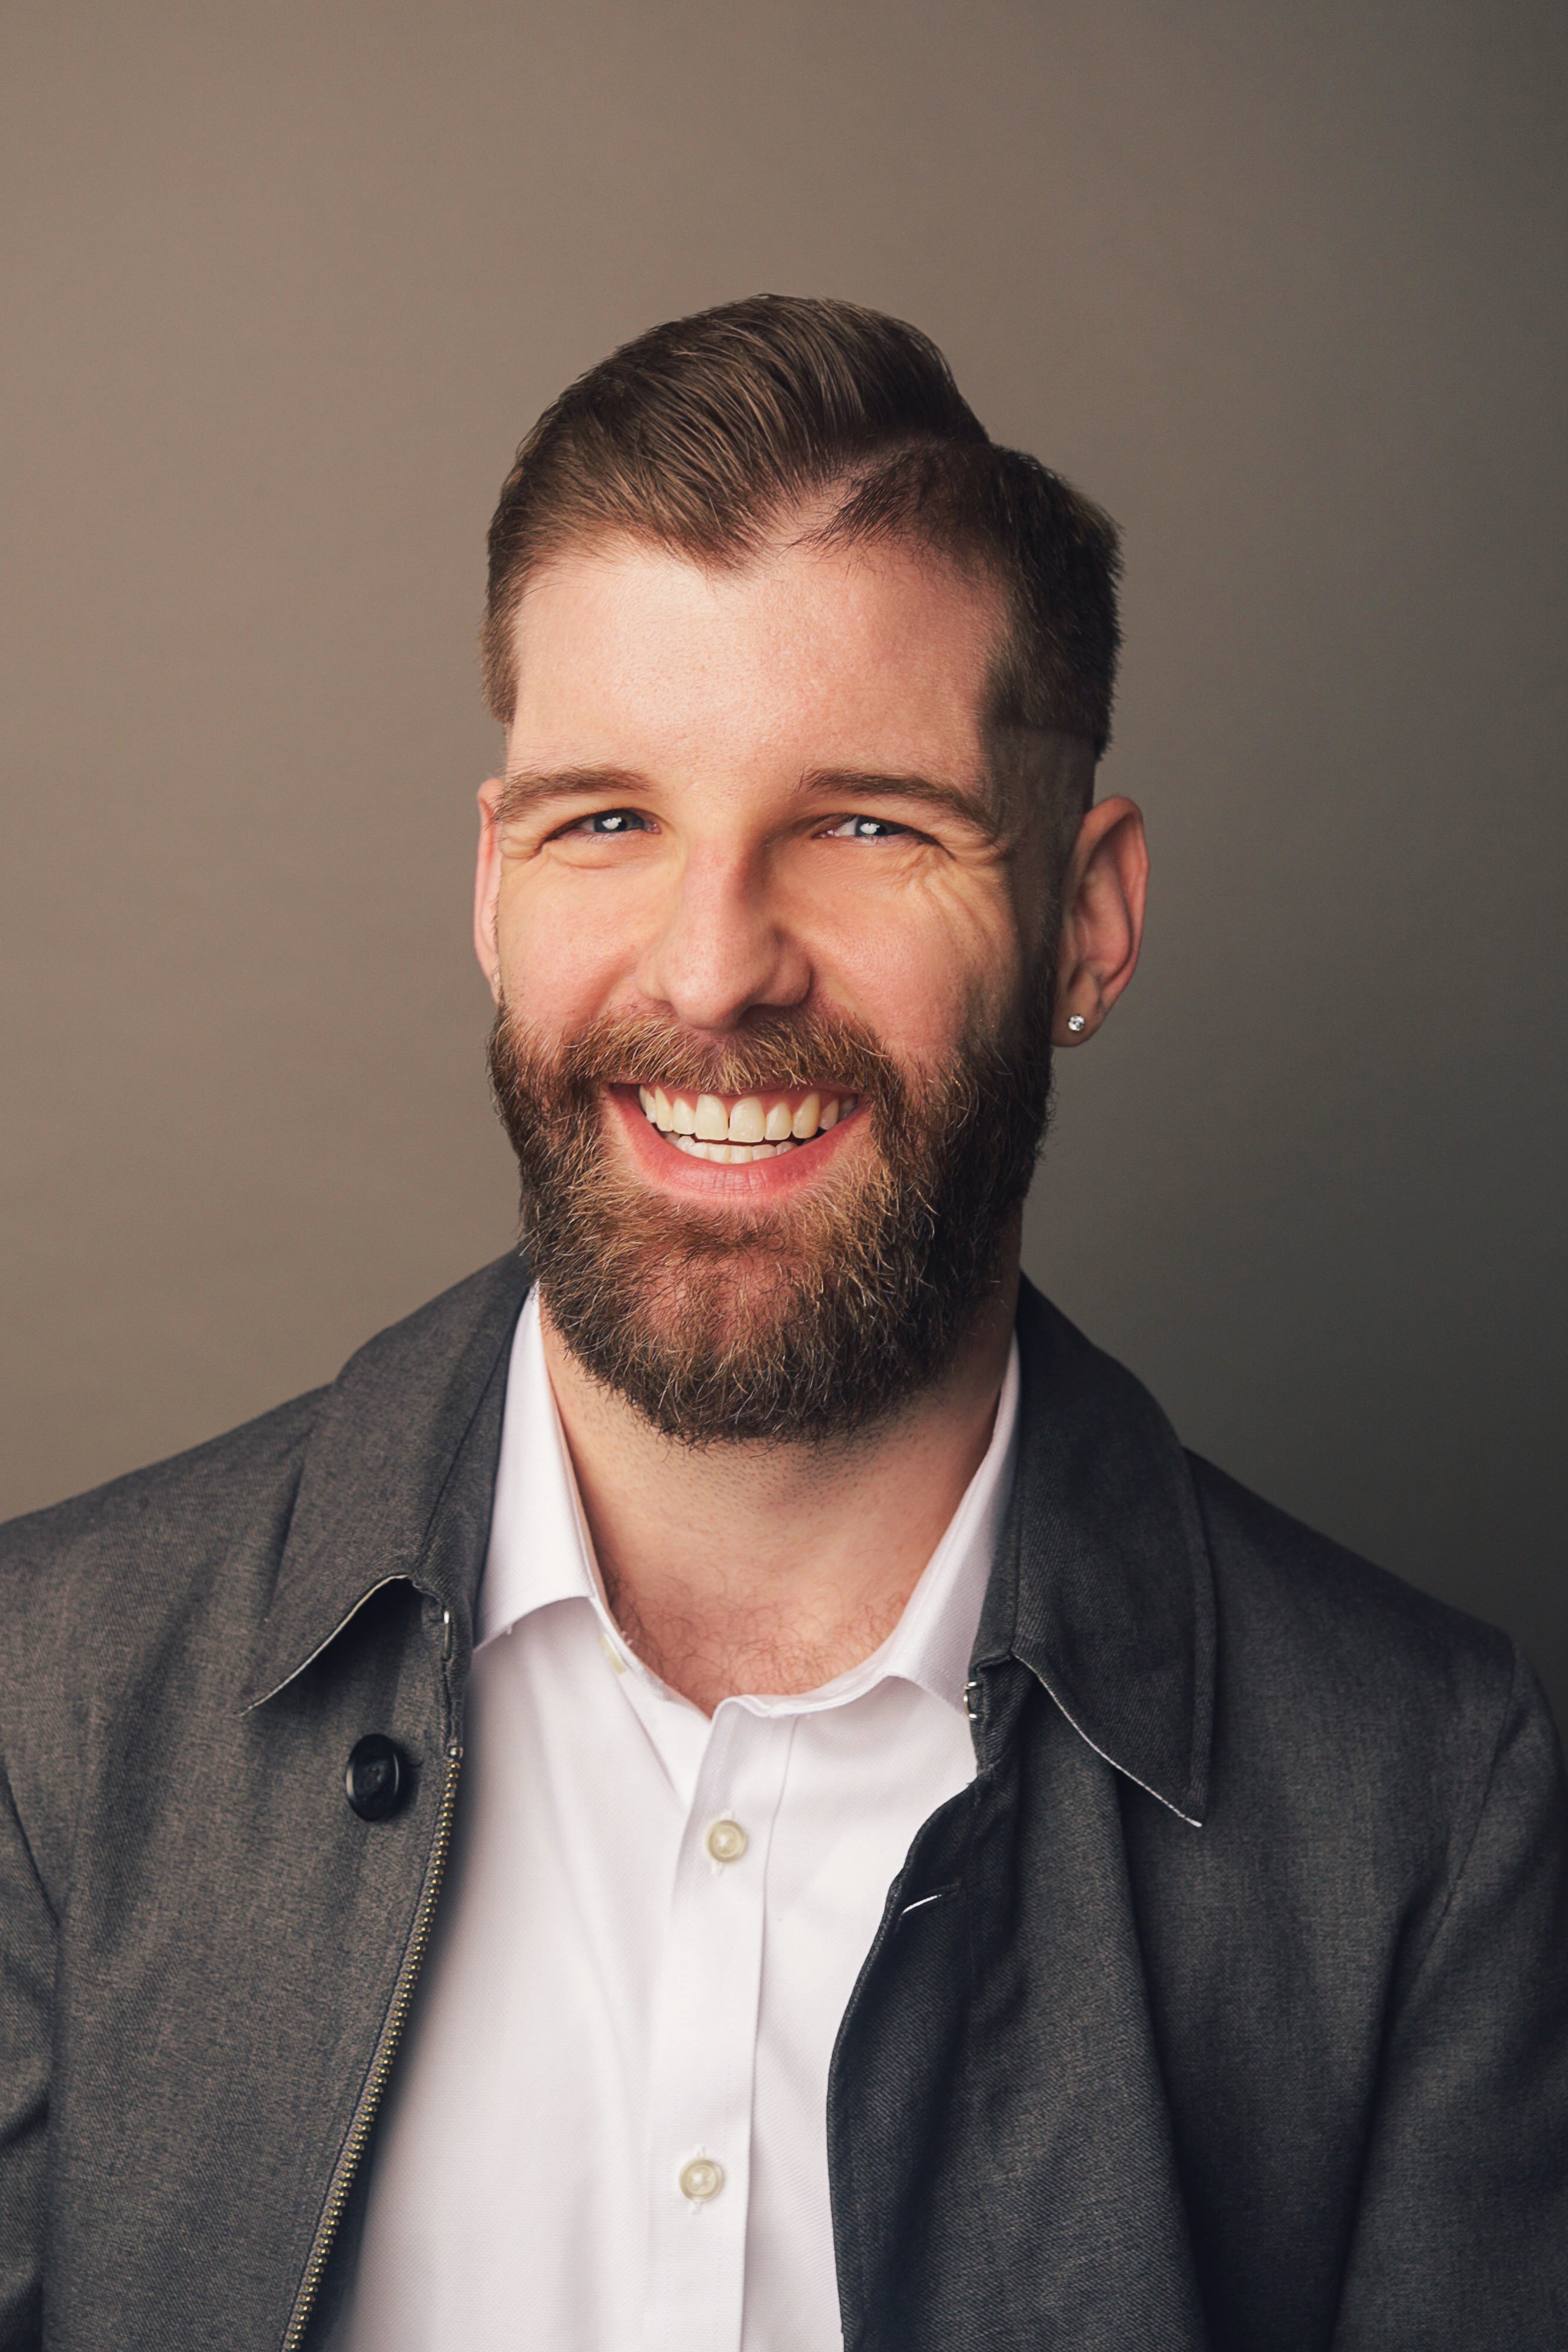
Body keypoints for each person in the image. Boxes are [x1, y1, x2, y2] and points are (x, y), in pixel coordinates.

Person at [1, 296, 1563, 2352]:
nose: (711, 967)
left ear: (1084, 922)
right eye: (605, 819)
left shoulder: (1424, 1812)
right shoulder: (44, 1707)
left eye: (864, 824)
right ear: (491, 889)